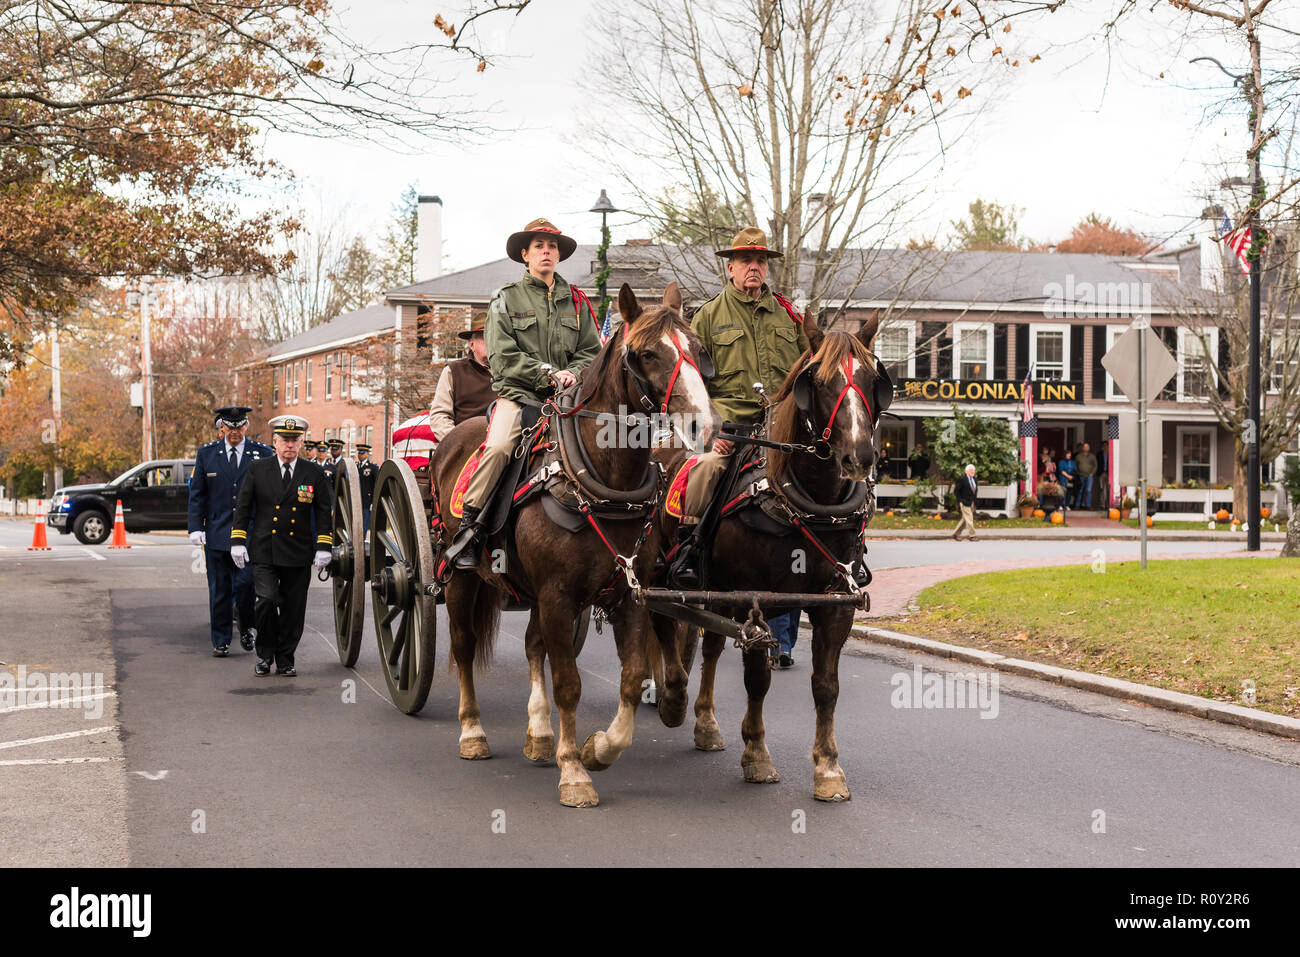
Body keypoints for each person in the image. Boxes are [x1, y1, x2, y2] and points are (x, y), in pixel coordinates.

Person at [446, 217, 602, 571]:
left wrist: (572, 374)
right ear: (525, 255)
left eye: (552, 247)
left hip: (568, 401)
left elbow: (592, 352)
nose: (546, 252)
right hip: (519, 397)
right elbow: (502, 356)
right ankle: (470, 530)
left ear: (559, 256)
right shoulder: (506, 299)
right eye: (539, 247)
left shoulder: (577, 303)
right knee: (500, 447)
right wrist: (546, 374)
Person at [230, 415, 333, 677]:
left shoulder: (314, 472)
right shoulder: (258, 469)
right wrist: (238, 541)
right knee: (265, 601)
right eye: (284, 440)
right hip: (265, 549)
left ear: (301, 442)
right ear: (274, 442)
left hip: (298, 551)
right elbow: (243, 507)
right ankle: (265, 655)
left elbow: (323, 512)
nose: (290, 445)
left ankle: (285, 658)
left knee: (292, 609)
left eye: (295, 440)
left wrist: (323, 546)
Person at [187, 406, 273, 657]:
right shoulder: (207, 454)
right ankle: (221, 639)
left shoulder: (262, 453)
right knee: (219, 588)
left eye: (240, 426)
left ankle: (247, 626)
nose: (235, 432)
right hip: (216, 531)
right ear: (221, 427)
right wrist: (195, 527)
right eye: (230, 427)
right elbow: (197, 493)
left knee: (246, 585)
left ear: (246, 426)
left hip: (250, 532)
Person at [429, 311, 496, 442]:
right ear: (472, 345)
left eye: (495, 336)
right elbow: (439, 415)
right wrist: (458, 441)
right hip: (466, 443)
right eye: (485, 337)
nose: (492, 341)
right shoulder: (453, 371)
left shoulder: (511, 371)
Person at [356, 443, 378, 533]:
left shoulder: (372, 467)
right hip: (356, 500)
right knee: (356, 523)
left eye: (362, 453)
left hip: (367, 501)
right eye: (359, 453)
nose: (360, 455)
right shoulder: (355, 467)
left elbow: (376, 485)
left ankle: (361, 541)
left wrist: (373, 501)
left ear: (367, 454)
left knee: (364, 523)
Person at [953, 464, 978, 541]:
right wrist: (961, 500)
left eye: (973, 470)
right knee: (969, 518)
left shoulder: (974, 479)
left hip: (972, 502)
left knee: (965, 519)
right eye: (971, 470)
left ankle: (956, 534)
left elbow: (975, 491)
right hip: (964, 502)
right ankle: (972, 536)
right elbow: (956, 491)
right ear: (966, 471)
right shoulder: (962, 479)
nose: (973, 471)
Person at [1075, 442, 1098, 509]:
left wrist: (1092, 473)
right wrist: (1078, 473)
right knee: (1080, 490)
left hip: (1089, 476)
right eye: (1084, 447)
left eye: (1087, 447)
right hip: (1080, 476)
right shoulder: (1078, 456)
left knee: (1088, 490)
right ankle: (1077, 505)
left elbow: (1095, 465)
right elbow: (1075, 465)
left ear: (1089, 448)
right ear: (1082, 448)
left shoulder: (1092, 456)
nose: (1086, 448)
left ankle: (1088, 505)